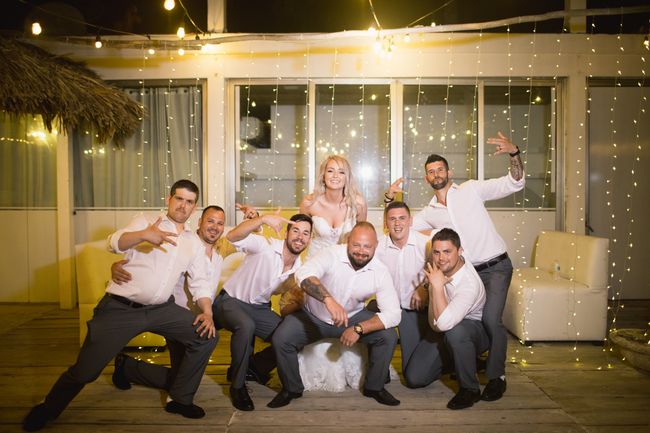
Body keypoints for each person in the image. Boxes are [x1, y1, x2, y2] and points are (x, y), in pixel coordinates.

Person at [23, 180, 218, 432]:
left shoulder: (192, 242)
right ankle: (47, 408)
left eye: (189, 201)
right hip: (121, 308)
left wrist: (207, 312)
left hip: (161, 309)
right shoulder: (145, 221)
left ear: (194, 207)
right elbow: (113, 242)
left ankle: (180, 400)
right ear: (169, 199)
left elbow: (200, 282)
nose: (183, 205)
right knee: (85, 372)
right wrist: (143, 235)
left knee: (205, 335)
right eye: (179, 198)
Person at [385, 132, 524, 401]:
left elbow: (513, 183)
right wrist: (390, 197)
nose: (436, 174)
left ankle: (497, 377)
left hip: (495, 266)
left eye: (440, 169)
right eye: (431, 171)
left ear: (449, 172)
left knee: (490, 319)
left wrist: (514, 153)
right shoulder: (429, 212)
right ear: (427, 178)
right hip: (464, 273)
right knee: (458, 320)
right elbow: (400, 225)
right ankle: (466, 356)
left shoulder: (471, 189)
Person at [268, 222, 402, 408]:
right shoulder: (331, 254)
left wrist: (359, 328)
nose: (361, 251)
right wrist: (328, 300)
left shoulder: (380, 271)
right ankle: (291, 389)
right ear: (348, 241)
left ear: (375, 246)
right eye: (356, 245)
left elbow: (394, 314)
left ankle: (374, 387)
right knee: (282, 338)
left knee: (388, 336)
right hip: (313, 318)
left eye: (367, 246)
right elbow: (304, 273)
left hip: (351, 319)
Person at [108, 205, 225, 404]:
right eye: (210, 221)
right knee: (183, 380)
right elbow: (150, 263)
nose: (215, 226)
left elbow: (245, 236)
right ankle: (171, 394)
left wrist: (256, 219)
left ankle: (127, 368)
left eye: (220, 223)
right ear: (199, 222)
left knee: (182, 378)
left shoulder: (222, 247)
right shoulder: (181, 242)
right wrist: (115, 266)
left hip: (201, 317)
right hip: (177, 317)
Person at [213, 212, 313, 411]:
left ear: (310, 239)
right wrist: (262, 219)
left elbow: (288, 301)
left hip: (258, 308)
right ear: (286, 233)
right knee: (246, 326)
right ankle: (237, 386)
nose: (300, 237)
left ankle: (254, 367)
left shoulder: (299, 269)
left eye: (305, 233)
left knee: (291, 336)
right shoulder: (265, 245)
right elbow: (232, 236)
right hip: (231, 300)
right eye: (295, 231)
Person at [374, 201, 448, 388]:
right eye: (392, 219)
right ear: (386, 223)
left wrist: (424, 287)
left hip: (418, 311)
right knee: (367, 314)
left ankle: (451, 358)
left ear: (410, 221)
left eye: (402, 218)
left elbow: (444, 268)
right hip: (391, 309)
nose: (397, 223)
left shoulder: (426, 244)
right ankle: (378, 369)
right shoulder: (378, 247)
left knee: (414, 378)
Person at [424, 228, 488, 410]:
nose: (441, 258)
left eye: (447, 251)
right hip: (445, 326)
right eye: (436, 252)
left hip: (474, 331)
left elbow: (444, 324)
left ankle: (470, 389)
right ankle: (464, 361)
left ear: (460, 251)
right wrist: (428, 287)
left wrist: (436, 288)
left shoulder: (468, 284)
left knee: (455, 332)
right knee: (415, 378)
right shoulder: (439, 269)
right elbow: (435, 324)